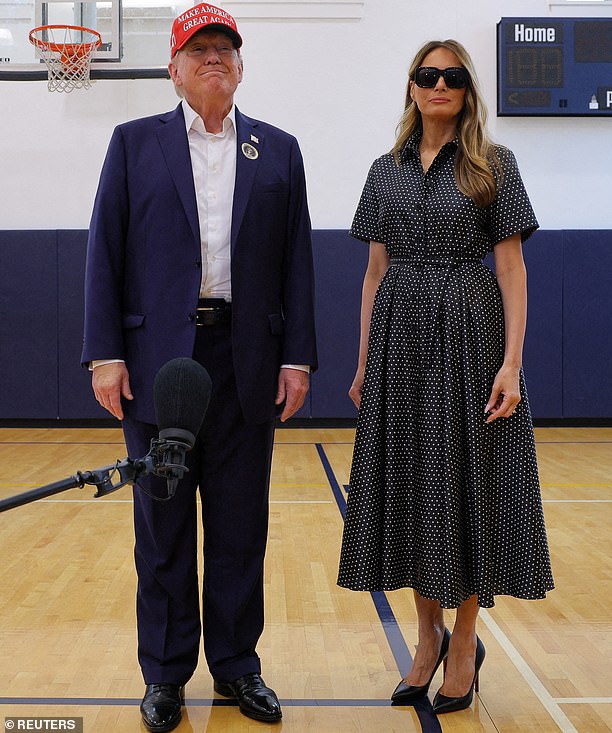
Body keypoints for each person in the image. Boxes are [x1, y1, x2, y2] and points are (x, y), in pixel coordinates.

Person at [81, 4, 317, 730]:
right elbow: (105, 251)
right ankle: (164, 674)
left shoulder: (278, 151)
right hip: (159, 367)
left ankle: (238, 667)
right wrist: (105, 355)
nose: (214, 57)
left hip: (246, 360)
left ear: (240, 68)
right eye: (200, 48)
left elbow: (296, 265)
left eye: (226, 48)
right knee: (163, 533)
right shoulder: (132, 145)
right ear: (175, 68)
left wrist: (298, 357)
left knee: (241, 527)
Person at [337, 40, 554, 715]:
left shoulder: (496, 165)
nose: (439, 85)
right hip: (400, 335)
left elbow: (512, 269)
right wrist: (365, 360)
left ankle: (464, 641)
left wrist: (512, 362)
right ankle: (424, 635)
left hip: (472, 332)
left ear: (466, 90)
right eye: (427, 75)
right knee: (409, 481)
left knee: (466, 484)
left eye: (452, 77)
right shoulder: (383, 170)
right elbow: (374, 272)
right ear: (411, 87)